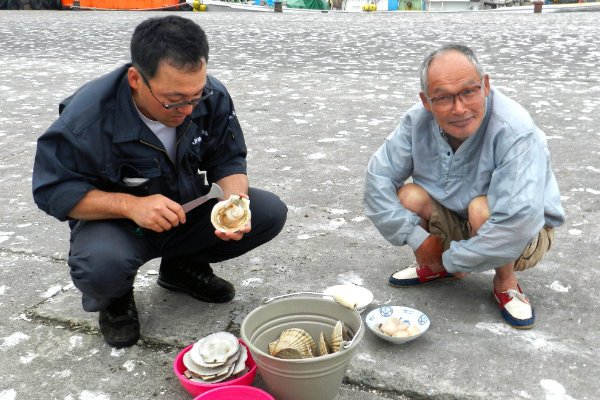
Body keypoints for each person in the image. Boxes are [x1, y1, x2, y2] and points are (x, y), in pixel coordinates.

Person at [32, 16, 287, 348]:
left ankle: (181, 269)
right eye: (174, 99)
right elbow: (52, 190)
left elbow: (227, 157)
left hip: (185, 210)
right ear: (136, 79)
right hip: (119, 224)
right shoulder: (86, 119)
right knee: (101, 267)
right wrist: (131, 206)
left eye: (195, 96)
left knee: (267, 212)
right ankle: (117, 298)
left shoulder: (209, 95)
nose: (187, 108)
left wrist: (235, 201)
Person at [363, 44, 565, 329]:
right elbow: (378, 179)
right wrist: (418, 239)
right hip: (458, 218)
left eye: (469, 92)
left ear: (485, 85)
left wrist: (454, 261)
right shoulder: (415, 120)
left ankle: (506, 283)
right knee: (407, 196)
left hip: (523, 233)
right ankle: (436, 266)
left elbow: (518, 221)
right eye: (443, 98)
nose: (459, 109)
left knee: (481, 209)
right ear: (426, 101)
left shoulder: (515, 128)